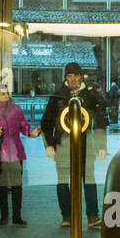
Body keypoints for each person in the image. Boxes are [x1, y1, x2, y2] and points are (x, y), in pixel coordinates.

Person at [40, 63, 108, 227]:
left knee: (89, 178)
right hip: (63, 143)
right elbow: (46, 122)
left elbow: (100, 122)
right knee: (63, 180)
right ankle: (67, 216)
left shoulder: (91, 96)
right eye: (70, 76)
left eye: (76, 76)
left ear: (81, 76)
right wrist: (49, 144)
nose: (73, 79)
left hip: (87, 144)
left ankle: (92, 215)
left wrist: (101, 145)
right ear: (66, 77)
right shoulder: (58, 97)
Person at [0, 84, 38, 226]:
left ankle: (17, 216)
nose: (5, 96)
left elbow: (24, 125)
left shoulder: (16, 109)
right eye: (2, 94)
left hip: (15, 152)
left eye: (7, 94)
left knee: (17, 186)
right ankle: (4, 216)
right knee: (1, 186)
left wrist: (32, 132)